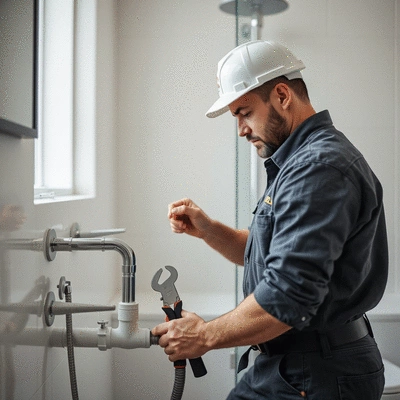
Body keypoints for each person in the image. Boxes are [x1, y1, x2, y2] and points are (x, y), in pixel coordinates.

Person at [151, 40, 388, 399]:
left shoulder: (317, 168)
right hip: (297, 364)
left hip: (315, 373)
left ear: (281, 95)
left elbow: (288, 294)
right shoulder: (299, 161)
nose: (241, 130)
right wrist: (209, 231)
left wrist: (203, 336)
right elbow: (277, 256)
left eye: (244, 112)